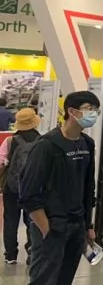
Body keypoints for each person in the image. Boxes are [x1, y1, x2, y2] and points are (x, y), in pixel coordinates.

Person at [13, 91, 99, 285]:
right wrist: (45, 227)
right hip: (51, 230)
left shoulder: (87, 144)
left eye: (96, 108)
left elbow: (88, 187)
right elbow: (28, 193)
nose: (93, 113)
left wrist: (87, 225)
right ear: (71, 111)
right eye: (88, 108)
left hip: (76, 227)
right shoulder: (47, 146)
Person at [1, 108, 41, 264]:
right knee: (33, 219)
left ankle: (11, 254)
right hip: (34, 187)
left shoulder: (10, 141)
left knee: (10, 220)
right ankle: (32, 249)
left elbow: (0, 162)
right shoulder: (42, 141)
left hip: (12, 187)